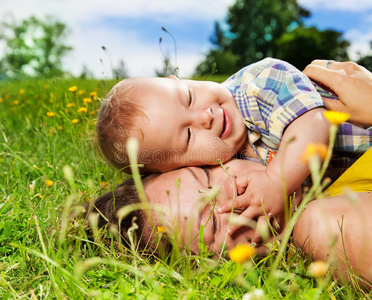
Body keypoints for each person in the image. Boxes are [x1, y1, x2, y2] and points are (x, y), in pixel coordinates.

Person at [96, 58, 372, 240]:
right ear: (181, 165)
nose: (205, 116)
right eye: (189, 136)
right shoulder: (227, 161)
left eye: (189, 97)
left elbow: (314, 121)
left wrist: (277, 180)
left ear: (178, 79)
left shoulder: (259, 84)